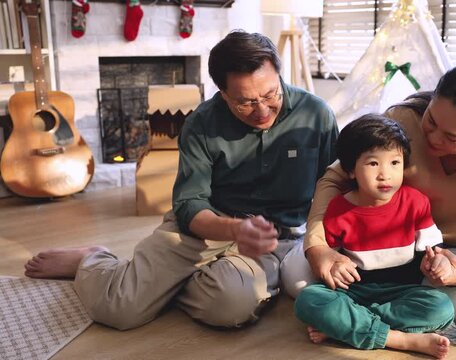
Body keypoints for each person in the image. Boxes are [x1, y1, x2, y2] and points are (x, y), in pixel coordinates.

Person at [24, 30, 338, 330]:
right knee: (118, 308)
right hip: (203, 227)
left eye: (271, 94)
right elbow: (190, 205)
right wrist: (234, 228)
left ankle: (157, 284)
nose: (261, 110)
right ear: (223, 94)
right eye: (245, 102)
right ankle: (93, 260)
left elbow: (335, 187)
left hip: (269, 241)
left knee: (229, 307)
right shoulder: (202, 122)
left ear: (279, 77)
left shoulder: (316, 115)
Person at [303, 63, 456, 325]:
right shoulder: (402, 119)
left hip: (449, 254)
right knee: (296, 276)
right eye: (432, 121)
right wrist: (318, 246)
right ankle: (386, 313)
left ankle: (355, 316)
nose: (434, 138)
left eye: (451, 137)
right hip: (367, 246)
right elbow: (337, 176)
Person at [294, 114, 454, 358]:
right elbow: (329, 259)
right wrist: (334, 267)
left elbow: (434, 251)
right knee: (309, 300)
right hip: (353, 292)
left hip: (401, 292)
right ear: (350, 170)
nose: (385, 174)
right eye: (372, 164)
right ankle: (400, 340)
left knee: (441, 307)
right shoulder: (339, 208)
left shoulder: (416, 203)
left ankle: (345, 327)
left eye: (394, 163)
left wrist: (437, 262)